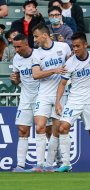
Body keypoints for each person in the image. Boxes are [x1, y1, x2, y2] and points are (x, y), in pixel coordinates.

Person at [55, 32, 90, 172]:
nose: (75, 49)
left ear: (85, 45)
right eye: (73, 46)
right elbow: (62, 84)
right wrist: (58, 102)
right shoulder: (70, 62)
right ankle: (66, 164)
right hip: (74, 100)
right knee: (63, 127)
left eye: (77, 46)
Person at [28, 23, 71, 172]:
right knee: (39, 126)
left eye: (36, 36)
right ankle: (39, 164)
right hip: (44, 94)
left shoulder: (63, 47)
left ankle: (50, 164)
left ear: (44, 35)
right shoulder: (36, 53)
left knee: (56, 130)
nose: (34, 40)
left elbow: (71, 64)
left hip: (61, 94)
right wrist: (54, 70)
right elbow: (35, 74)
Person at [10, 34, 39, 172]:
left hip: (42, 97)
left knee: (48, 130)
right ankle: (20, 165)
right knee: (22, 129)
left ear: (26, 44)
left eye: (18, 46)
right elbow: (17, 81)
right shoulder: (16, 59)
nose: (16, 50)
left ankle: (50, 163)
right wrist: (14, 80)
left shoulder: (38, 55)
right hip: (26, 97)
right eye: (14, 47)